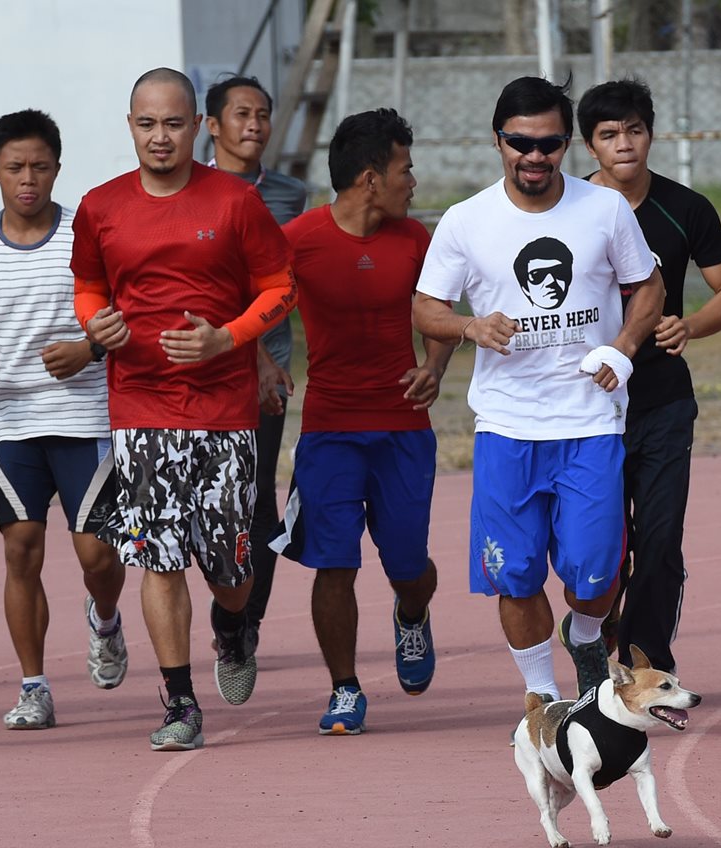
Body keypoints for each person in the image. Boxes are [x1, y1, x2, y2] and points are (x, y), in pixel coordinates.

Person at [412, 76, 664, 711]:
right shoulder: (466, 220)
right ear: (498, 140)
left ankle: (582, 636)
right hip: (506, 428)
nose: (534, 155)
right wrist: (469, 326)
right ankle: (544, 695)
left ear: (566, 146)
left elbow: (649, 285)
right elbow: (425, 307)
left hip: (591, 423)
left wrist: (624, 347)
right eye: (520, 142)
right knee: (515, 574)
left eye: (549, 143)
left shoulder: (604, 210)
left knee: (597, 575)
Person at [70, 68, 296, 750]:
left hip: (226, 410)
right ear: (130, 125)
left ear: (197, 126)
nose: (160, 137)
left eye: (173, 123)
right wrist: (96, 325)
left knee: (230, 572)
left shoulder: (234, 201)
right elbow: (88, 284)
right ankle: (179, 700)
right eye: (147, 124)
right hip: (140, 405)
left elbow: (280, 285)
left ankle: (233, 626)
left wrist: (227, 337)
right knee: (157, 557)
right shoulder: (100, 205)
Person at [270, 109, 448, 735]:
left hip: (403, 429)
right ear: (371, 178)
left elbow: (441, 311)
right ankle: (344, 689)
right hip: (329, 429)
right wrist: (261, 367)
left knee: (409, 566)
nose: (413, 181)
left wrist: (435, 365)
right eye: (406, 169)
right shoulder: (299, 240)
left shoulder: (419, 240)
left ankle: (411, 612)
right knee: (333, 562)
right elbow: (250, 307)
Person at [575, 77, 721, 673]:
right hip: (586, 405)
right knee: (597, 545)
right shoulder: (568, 209)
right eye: (608, 135)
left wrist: (691, 326)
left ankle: (648, 661)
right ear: (589, 146)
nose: (624, 144)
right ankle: (594, 635)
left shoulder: (686, 208)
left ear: (651, 134)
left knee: (659, 538)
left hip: (662, 401)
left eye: (634, 130)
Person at [0, 109, 127, 730]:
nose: (28, 179)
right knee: (21, 549)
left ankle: (105, 619)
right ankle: (34, 686)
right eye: (16, 167)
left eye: (40, 167)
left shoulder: (88, 234)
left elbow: (126, 320)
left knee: (98, 555)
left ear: (57, 169)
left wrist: (90, 349)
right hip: (10, 425)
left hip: (86, 417)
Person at [205, 75, 307, 654]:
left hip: (270, 379)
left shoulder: (289, 193)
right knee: (210, 501)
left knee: (258, 496)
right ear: (212, 125)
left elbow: (284, 280)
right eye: (241, 114)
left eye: (263, 114)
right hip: (207, 369)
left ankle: (245, 627)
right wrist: (258, 354)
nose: (254, 124)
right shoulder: (190, 191)